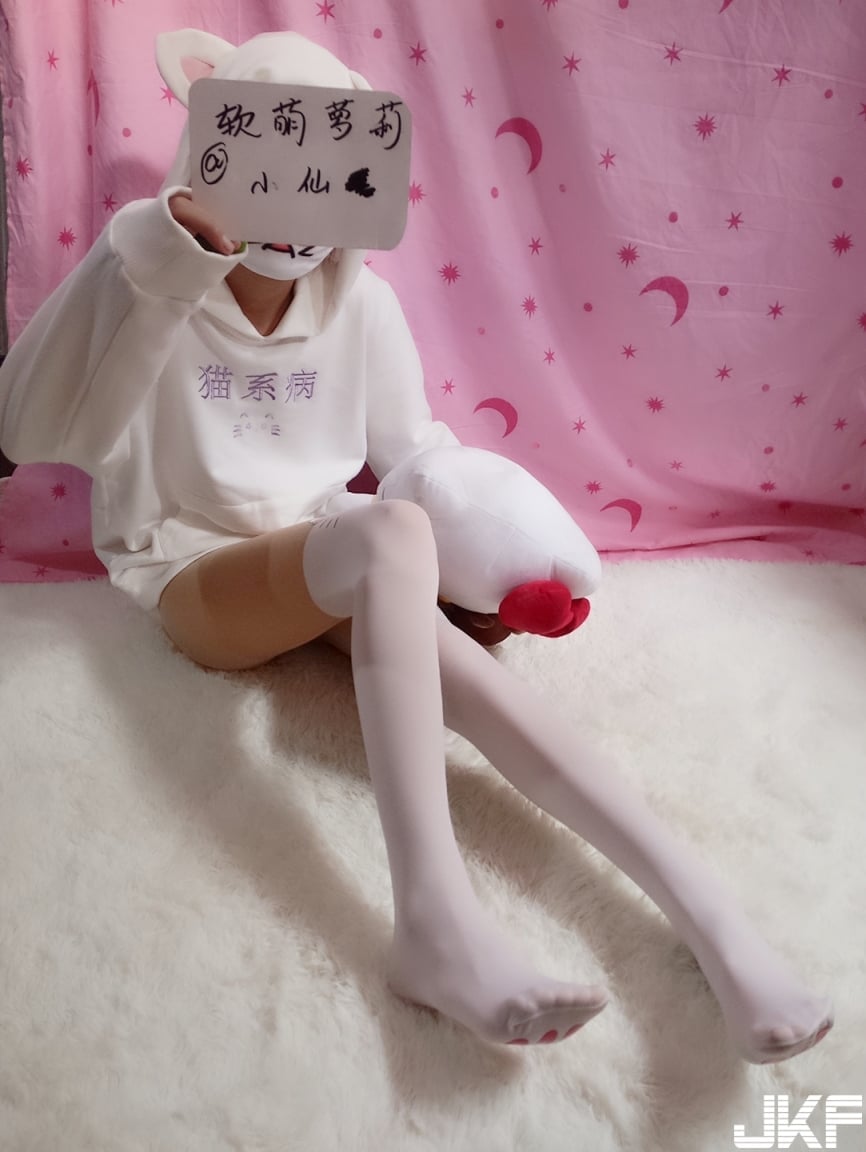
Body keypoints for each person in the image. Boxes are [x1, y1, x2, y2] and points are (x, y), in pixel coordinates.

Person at [0, 29, 833, 1060]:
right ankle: (434, 920)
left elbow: (415, 453)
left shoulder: (364, 304)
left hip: (328, 557)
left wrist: (504, 565)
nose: (295, 210)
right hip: (194, 575)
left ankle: (716, 926)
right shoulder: (149, 268)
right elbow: (32, 427)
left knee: (488, 690)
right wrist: (167, 259)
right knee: (389, 536)